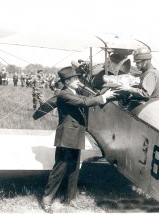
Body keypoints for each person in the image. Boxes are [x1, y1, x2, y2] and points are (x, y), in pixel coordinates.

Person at [40, 66, 116, 213]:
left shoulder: (74, 92)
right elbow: (85, 103)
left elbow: (86, 99)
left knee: (74, 168)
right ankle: (47, 200)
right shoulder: (64, 94)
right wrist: (104, 97)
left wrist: (101, 93)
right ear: (67, 81)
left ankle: (70, 198)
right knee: (60, 168)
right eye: (75, 79)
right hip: (67, 136)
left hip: (75, 135)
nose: (78, 81)